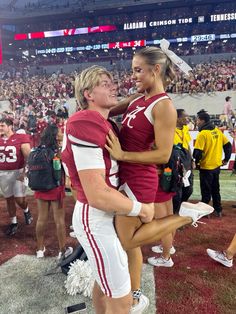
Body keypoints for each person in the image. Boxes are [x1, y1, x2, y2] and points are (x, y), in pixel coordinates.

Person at [62, 65, 213, 314]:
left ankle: (184, 216)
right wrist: (140, 208)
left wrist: (148, 88)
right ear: (88, 93)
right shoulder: (85, 120)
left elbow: (129, 102)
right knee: (122, 301)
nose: (113, 86)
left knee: (104, 284)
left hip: (106, 211)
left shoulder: (104, 121)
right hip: (97, 214)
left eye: (112, 81)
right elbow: (97, 194)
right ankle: (184, 216)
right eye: (104, 83)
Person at [105, 41, 213, 311]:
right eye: (133, 70)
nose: (133, 76)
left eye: (138, 70)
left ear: (155, 70)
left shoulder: (163, 105)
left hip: (140, 178)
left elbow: (163, 155)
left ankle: (186, 215)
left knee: (128, 239)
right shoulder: (137, 98)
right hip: (126, 174)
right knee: (131, 245)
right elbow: (105, 111)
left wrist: (122, 155)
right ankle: (134, 294)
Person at [34, 124, 72, 259]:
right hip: (55, 188)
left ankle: (39, 249)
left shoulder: (37, 149)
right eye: (60, 132)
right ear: (56, 136)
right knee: (59, 220)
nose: (62, 133)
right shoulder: (58, 151)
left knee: (41, 219)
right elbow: (67, 170)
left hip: (40, 188)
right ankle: (62, 250)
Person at [193, 110, 232, 218]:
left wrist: (197, 163)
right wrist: (226, 160)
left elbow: (197, 153)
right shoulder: (217, 130)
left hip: (206, 167)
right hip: (216, 166)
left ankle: (205, 212)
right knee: (215, 189)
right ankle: (218, 210)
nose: (197, 122)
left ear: (202, 120)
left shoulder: (203, 134)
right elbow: (228, 145)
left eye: (197, 120)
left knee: (206, 191)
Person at [0, 118, 33, 236]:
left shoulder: (21, 138)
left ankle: (26, 210)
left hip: (17, 172)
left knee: (19, 199)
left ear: (10, 126)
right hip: (2, 173)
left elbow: (29, 157)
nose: (0, 128)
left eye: (2, 126)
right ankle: (14, 222)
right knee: (9, 199)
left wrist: (25, 172)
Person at [172, 109, 193, 214]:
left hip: (187, 161)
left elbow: (188, 145)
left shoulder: (185, 129)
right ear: (178, 118)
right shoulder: (169, 130)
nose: (187, 119)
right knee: (177, 190)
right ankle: (175, 213)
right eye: (185, 116)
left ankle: (180, 207)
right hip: (176, 162)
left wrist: (191, 159)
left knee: (189, 189)